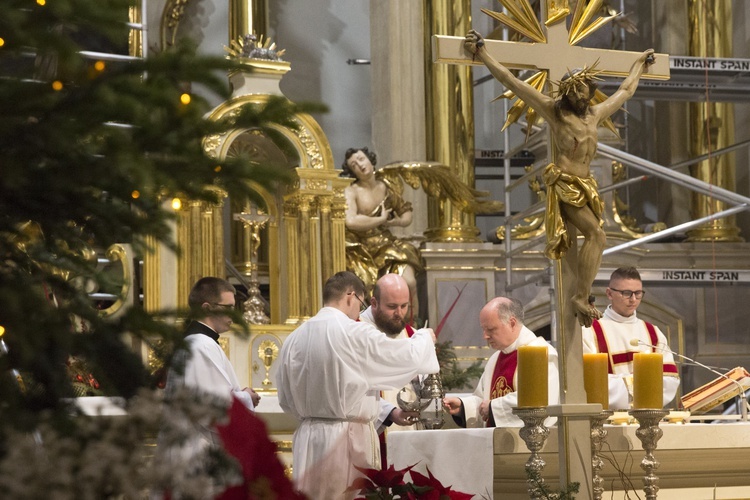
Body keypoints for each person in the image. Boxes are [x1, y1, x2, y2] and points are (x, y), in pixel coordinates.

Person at [464, 30, 655, 327]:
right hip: (566, 185)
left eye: (588, 92)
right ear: (568, 91)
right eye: (579, 92)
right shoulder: (555, 113)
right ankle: (581, 295)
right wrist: (484, 53)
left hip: (587, 185)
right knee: (597, 235)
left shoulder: (594, 114)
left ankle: (581, 293)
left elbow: (626, 91)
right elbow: (511, 82)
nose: (584, 97)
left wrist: (639, 66)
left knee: (596, 236)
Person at [276, 271, 439, 500]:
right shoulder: (352, 331)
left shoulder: (294, 337)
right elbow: (401, 356)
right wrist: (424, 338)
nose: (358, 311)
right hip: (345, 440)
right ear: (351, 296)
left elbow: (284, 397)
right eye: (360, 303)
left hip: (308, 438)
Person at [160, 277, 261, 477]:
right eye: (229, 307)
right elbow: (212, 407)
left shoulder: (196, 343)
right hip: (197, 453)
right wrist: (247, 397)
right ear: (207, 308)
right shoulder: (201, 346)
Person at [443, 297, 559, 427]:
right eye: (483, 329)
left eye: (491, 329)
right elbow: (483, 402)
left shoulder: (541, 354)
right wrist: (463, 407)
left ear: (512, 323)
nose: (485, 336)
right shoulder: (495, 358)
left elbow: (539, 403)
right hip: (496, 441)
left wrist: (493, 408)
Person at [582, 267, 679, 409]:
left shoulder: (653, 332)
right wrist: (642, 386)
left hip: (647, 416)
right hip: (607, 420)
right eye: (626, 293)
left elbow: (670, 380)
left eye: (638, 293)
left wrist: (630, 387)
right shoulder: (590, 331)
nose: (633, 299)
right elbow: (592, 382)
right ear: (609, 293)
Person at [342, 147, 422, 308]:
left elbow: (406, 214)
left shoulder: (387, 186)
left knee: (410, 282)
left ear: (370, 159)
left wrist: (393, 222)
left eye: (361, 159)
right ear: (352, 171)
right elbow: (351, 221)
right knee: (369, 291)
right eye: (354, 164)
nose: (359, 165)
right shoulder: (351, 190)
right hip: (361, 251)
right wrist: (380, 219)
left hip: (387, 246)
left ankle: (412, 326)